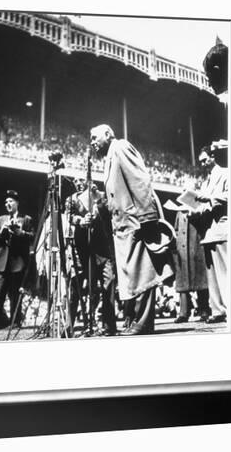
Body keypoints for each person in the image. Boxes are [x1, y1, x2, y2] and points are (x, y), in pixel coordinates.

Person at [90, 124, 173, 335]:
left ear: (108, 134)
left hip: (135, 222)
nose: (92, 142)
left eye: (94, 137)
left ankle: (143, 322)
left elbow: (140, 179)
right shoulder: (110, 156)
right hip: (122, 226)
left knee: (143, 273)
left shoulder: (120, 147)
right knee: (133, 275)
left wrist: (147, 218)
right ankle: (136, 320)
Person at [65, 179, 117, 336]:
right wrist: (80, 221)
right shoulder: (72, 199)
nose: (78, 183)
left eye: (81, 180)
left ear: (90, 180)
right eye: (75, 181)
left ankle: (109, 326)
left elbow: (110, 211)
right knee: (77, 288)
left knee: (109, 284)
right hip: (82, 249)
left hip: (103, 249)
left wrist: (97, 199)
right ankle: (69, 326)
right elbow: (69, 216)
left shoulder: (101, 195)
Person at [190, 142, 229, 324]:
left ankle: (230, 308)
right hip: (207, 231)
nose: (203, 164)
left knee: (224, 272)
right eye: (201, 162)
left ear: (213, 157)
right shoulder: (205, 181)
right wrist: (193, 209)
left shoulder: (226, 173)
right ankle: (217, 310)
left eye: (205, 160)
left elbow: (230, 196)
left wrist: (210, 198)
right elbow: (203, 204)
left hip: (220, 228)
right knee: (211, 276)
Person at [0, 190, 35, 330]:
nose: (8, 204)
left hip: (17, 263)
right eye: (6, 202)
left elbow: (33, 236)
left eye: (11, 201)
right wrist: (2, 232)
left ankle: (15, 323)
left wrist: (20, 233)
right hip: (1, 263)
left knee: (15, 295)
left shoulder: (26, 219)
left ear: (17, 203)